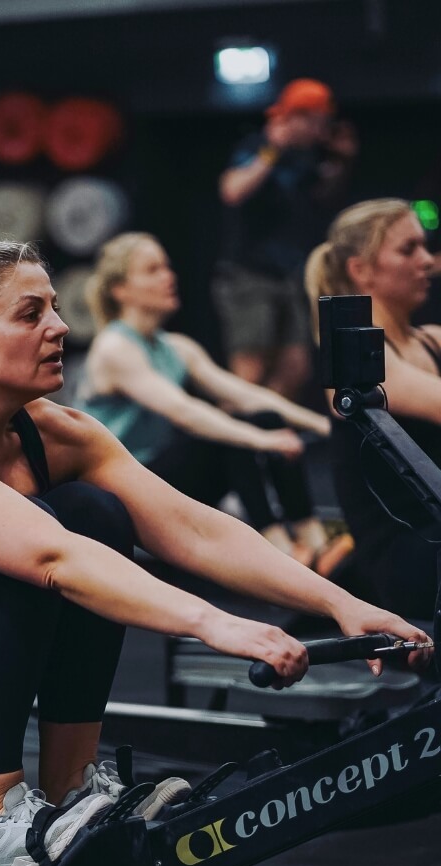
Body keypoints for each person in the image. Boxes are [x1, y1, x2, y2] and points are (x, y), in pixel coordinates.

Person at [0, 239, 428, 866]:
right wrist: (212, 624)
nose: (59, 327)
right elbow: (48, 555)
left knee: (98, 512)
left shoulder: (56, 433)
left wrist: (340, 602)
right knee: (27, 543)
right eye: (30, 314)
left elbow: (194, 529)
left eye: (54, 308)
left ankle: (71, 785)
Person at [79, 231, 350, 571]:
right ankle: (276, 547)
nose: (169, 277)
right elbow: (182, 411)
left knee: (263, 416)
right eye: (153, 270)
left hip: (161, 483)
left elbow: (247, 394)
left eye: (167, 267)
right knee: (227, 435)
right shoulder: (114, 348)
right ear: (120, 290)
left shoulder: (176, 347)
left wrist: (326, 425)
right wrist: (260, 440)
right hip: (122, 492)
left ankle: (312, 538)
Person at [305, 198, 441, 618]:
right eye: (408, 250)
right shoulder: (356, 359)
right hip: (406, 559)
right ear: (360, 269)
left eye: (425, 246)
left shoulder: (432, 339)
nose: (427, 262)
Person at [213, 78, 357, 400]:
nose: (321, 132)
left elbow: (324, 197)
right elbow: (232, 190)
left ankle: (268, 428)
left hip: (288, 272)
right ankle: (243, 440)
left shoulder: (307, 156)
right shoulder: (258, 145)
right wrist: (272, 149)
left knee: (297, 366)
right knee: (249, 372)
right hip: (247, 274)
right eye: (316, 123)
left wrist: (342, 161)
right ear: (294, 118)